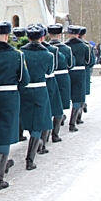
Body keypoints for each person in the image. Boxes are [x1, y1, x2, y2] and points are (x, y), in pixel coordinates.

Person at [0, 20, 30, 190]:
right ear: (7, 35)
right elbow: (24, 80)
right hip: (9, 97)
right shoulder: (17, 55)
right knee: (5, 132)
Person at [19, 26, 53, 170]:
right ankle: (30, 159)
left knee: (26, 119)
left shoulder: (20, 53)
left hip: (24, 89)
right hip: (40, 89)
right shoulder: (48, 54)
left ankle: (34, 144)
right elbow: (49, 71)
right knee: (38, 124)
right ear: (41, 38)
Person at [38, 24, 64, 154]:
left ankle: (42, 140)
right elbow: (56, 65)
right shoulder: (52, 50)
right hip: (50, 81)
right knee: (55, 110)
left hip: (37, 82)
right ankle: (52, 135)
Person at [47, 23, 74, 142]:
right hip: (62, 77)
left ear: (49, 35)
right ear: (60, 35)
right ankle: (55, 134)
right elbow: (71, 64)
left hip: (49, 77)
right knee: (59, 106)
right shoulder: (66, 49)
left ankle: (45, 135)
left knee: (49, 106)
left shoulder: (46, 48)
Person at [65, 25, 91, 132]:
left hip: (68, 72)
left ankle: (61, 119)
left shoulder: (65, 46)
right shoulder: (85, 47)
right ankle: (73, 122)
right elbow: (89, 61)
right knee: (78, 96)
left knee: (66, 95)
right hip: (80, 72)